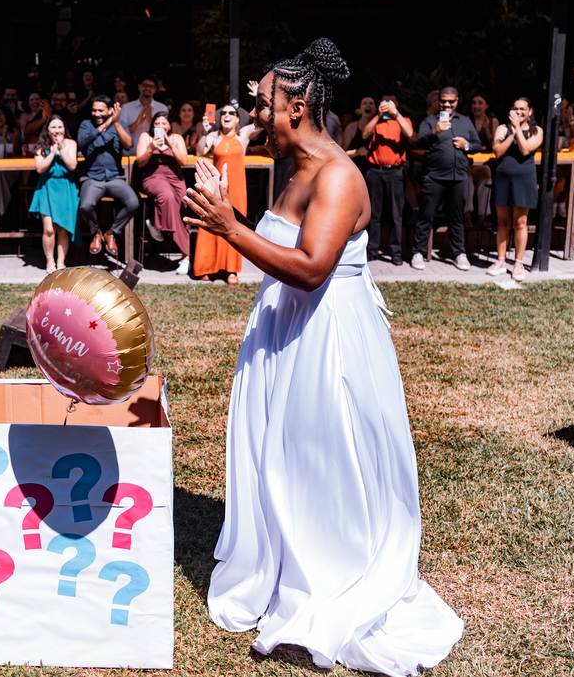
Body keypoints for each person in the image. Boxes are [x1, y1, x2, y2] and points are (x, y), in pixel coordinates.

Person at [187, 38, 463, 675]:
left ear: (297, 106)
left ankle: (331, 579)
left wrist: (231, 229)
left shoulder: (337, 175)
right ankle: (285, 565)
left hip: (324, 341)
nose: (256, 115)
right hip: (287, 331)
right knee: (283, 458)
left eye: (264, 105)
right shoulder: (297, 167)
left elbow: (312, 270)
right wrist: (225, 212)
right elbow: (281, 244)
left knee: (321, 460)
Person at [411, 88, 482, 271]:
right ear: (438, 101)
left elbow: (477, 145)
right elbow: (419, 142)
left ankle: (459, 254)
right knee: (426, 216)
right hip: (434, 176)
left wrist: (466, 145)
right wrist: (434, 132)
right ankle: (418, 252)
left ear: (457, 101)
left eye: (451, 101)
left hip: (458, 177)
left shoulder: (465, 122)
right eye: (443, 101)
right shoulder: (430, 121)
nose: (447, 104)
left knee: (456, 218)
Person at [193, 104, 260, 284]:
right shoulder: (213, 136)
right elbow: (200, 151)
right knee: (211, 220)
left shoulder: (243, 135)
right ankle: (206, 267)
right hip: (217, 186)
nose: (227, 115)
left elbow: (264, 122)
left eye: (232, 113)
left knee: (234, 224)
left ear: (238, 119)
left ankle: (232, 269)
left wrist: (258, 98)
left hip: (237, 188)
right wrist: (204, 131)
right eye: (223, 113)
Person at [486, 98, 543, 282]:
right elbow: (497, 151)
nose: (519, 112)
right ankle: (500, 261)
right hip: (503, 177)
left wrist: (518, 129)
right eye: (515, 109)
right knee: (502, 222)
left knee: (520, 222)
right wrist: (512, 132)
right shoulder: (502, 129)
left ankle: (518, 264)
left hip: (524, 178)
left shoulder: (536, 131)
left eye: (523, 109)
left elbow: (526, 150)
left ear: (530, 111)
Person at [76, 95, 137, 257]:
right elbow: (82, 142)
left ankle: (112, 233)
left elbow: (129, 145)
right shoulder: (86, 124)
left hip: (115, 177)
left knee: (133, 203)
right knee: (85, 206)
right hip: (92, 178)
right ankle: (95, 232)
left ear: (110, 110)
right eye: (94, 110)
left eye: (100, 111)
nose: (97, 114)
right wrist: (104, 126)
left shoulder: (120, 124)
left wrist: (115, 123)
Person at [136, 111, 190, 275]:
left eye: (164, 123)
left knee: (184, 206)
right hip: (153, 177)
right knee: (167, 195)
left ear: (169, 125)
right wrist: (151, 148)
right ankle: (185, 255)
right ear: (153, 126)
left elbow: (184, 162)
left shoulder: (176, 138)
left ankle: (157, 223)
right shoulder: (146, 137)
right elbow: (139, 163)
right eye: (157, 123)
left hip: (175, 178)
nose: (160, 126)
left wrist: (170, 144)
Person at [361, 94, 413, 263]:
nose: (387, 104)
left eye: (391, 102)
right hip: (375, 171)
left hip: (395, 172)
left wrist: (395, 113)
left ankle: (396, 252)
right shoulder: (376, 121)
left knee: (396, 214)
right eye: (384, 102)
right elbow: (365, 135)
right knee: (374, 214)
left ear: (396, 104)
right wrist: (377, 115)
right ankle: (372, 250)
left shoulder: (403, 119)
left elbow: (409, 133)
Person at [29, 115, 79, 272]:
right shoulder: (40, 147)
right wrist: (53, 152)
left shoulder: (71, 143)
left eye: (60, 127)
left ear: (64, 129)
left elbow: (72, 165)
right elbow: (39, 168)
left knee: (63, 228)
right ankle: (49, 261)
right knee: (49, 229)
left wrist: (61, 149)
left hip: (65, 187)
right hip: (47, 187)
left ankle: (61, 262)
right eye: (53, 127)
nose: (57, 130)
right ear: (48, 130)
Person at [466, 94, 497, 226]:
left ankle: (482, 216)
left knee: (487, 176)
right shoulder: (466, 120)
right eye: (474, 103)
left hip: (483, 163)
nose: (476, 106)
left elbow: (495, 146)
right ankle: (467, 215)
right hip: (468, 162)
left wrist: (486, 130)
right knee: (467, 179)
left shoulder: (493, 122)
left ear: (486, 106)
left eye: (480, 103)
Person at [119, 74, 169, 139]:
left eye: (151, 86)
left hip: (155, 145)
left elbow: (165, 134)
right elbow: (121, 133)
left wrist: (151, 121)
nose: (147, 88)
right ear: (139, 87)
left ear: (155, 90)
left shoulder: (163, 108)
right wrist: (136, 123)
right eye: (145, 85)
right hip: (132, 146)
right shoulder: (126, 108)